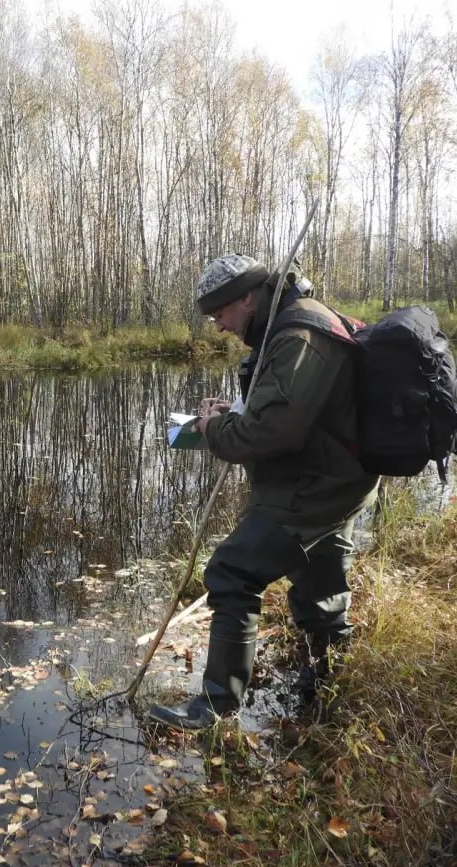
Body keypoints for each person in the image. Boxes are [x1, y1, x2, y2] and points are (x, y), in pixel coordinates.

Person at [148, 254, 379, 730]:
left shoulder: (297, 336)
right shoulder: (293, 324)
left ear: (247, 299)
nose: (218, 328)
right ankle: (328, 681)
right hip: (337, 481)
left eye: (220, 315)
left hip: (309, 490)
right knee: (320, 586)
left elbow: (269, 434)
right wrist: (227, 414)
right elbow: (285, 410)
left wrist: (214, 430)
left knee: (231, 572)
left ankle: (216, 706)